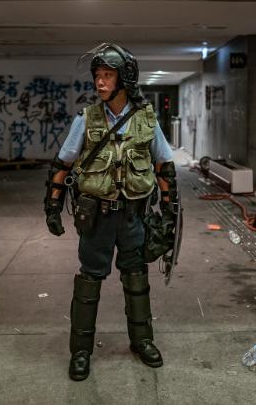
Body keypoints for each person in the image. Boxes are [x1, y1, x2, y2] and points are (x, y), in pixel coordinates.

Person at [43, 43, 179, 381]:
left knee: (136, 280)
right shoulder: (86, 119)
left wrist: (169, 210)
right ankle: (81, 351)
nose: (100, 83)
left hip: (134, 216)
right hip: (97, 217)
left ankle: (142, 341)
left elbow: (164, 166)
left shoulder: (147, 119)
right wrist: (53, 207)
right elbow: (63, 164)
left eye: (107, 76)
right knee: (89, 283)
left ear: (125, 80)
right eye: (97, 76)